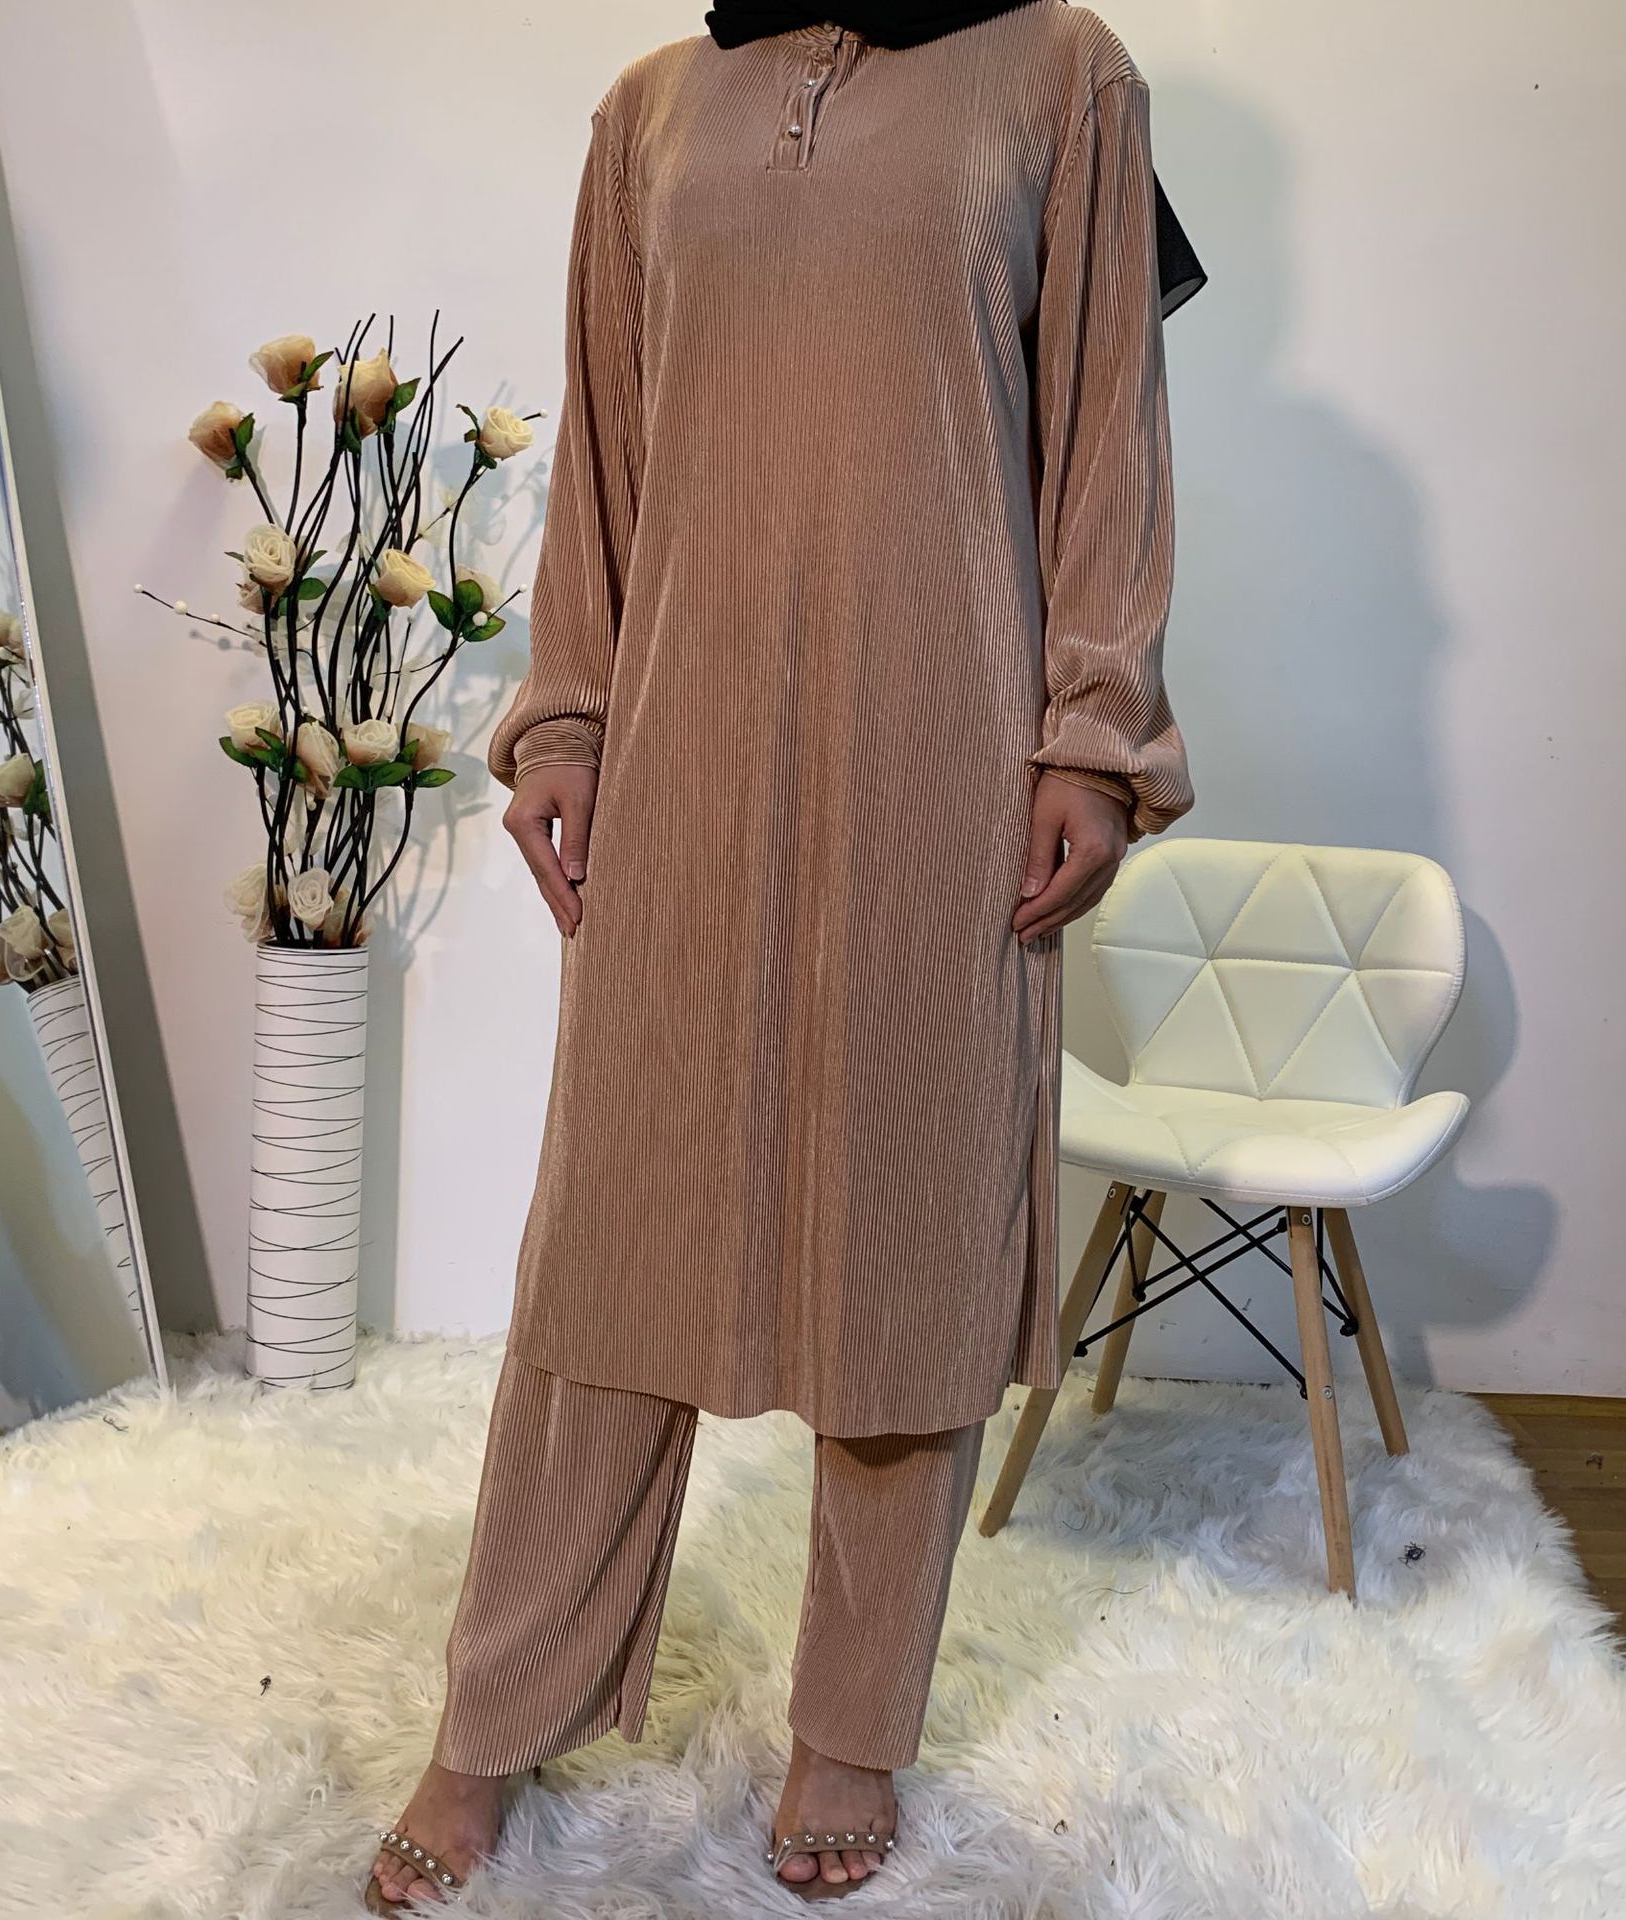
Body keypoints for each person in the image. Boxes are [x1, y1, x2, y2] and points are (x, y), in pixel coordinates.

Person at [367, 0, 1192, 1905]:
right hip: (687, 737)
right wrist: (565, 719)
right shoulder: (655, 107)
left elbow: (1109, 433)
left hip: (946, 745)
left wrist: (1092, 737)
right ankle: (491, 1719)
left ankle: (849, 1732)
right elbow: (605, 445)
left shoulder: (1060, 73)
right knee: (610, 1252)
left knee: (902, 1248)